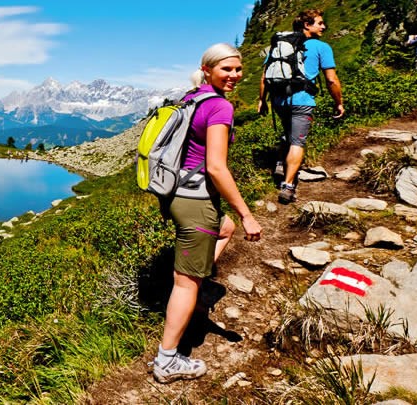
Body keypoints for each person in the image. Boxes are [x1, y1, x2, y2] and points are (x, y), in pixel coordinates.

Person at [152, 43, 262, 383]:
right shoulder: (219, 108)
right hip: (196, 200)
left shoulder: (191, 98)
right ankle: (167, 361)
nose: (234, 75)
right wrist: (246, 213)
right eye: (226, 69)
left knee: (223, 229)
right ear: (207, 69)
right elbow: (216, 167)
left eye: (238, 69)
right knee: (185, 284)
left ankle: (197, 293)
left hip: (176, 194)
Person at [258, 9, 344, 204]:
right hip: (302, 101)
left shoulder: (279, 45)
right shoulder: (321, 47)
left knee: (287, 132)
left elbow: (264, 76)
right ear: (307, 25)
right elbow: (331, 80)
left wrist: (262, 101)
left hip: (279, 100)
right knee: (298, 142)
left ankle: (281, 163)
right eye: (320, 23)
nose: (324, 27)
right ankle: (288, 186)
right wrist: (339, 102)